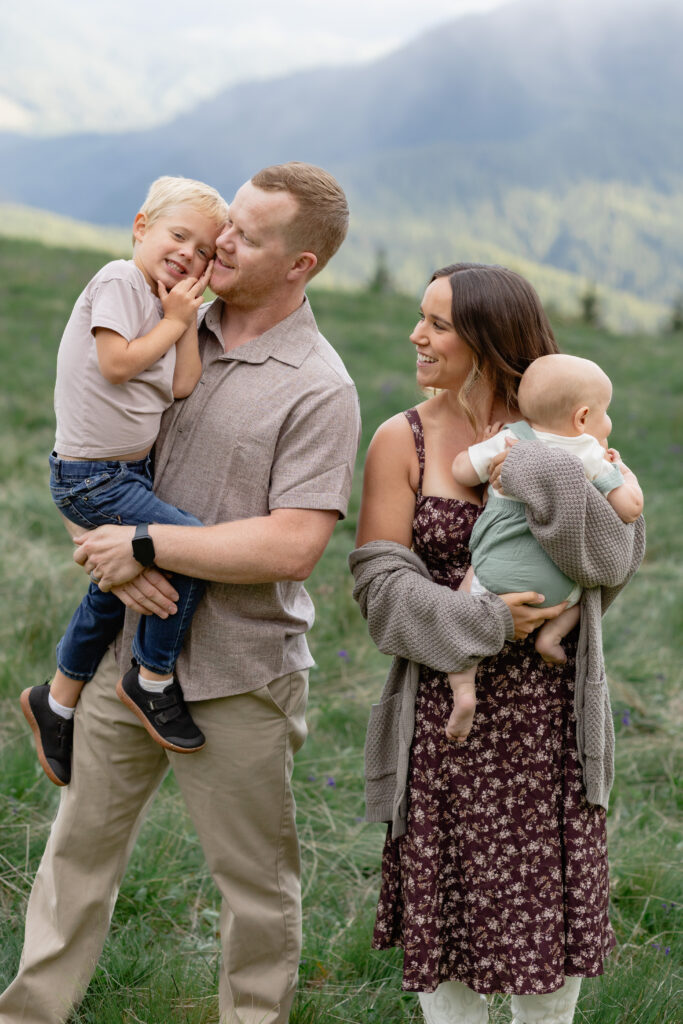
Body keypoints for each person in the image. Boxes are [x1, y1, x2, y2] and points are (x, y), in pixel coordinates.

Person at [1, 162, 361, 1024]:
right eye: (223, 223)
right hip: (127, 657)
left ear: (300, 264)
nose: (222, 243)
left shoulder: (320, 385)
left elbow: (295, 543)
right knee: (75, 858)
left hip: (238, 675)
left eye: (247, 235)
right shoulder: (165, 318)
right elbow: (90, 455)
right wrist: (106, 552)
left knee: (255, 887)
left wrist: (146, 543)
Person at [350, 263, 644, 1024]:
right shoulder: (402, 439)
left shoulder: (562, 433)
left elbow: (612, 560)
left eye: (438, 323)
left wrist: (543, 476)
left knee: (545, 940)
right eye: (422, 317)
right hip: (447, 725)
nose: (417, 335)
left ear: (488, 340)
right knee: (448, 936)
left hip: (549, 723)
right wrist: (483, 623)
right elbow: (379, 588)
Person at [21, 176, 229, 786]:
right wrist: (171, 320)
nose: (188, 254)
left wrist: (184, 321)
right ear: (141, 227)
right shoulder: (118, 279)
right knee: (189, 544)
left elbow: (182, 383)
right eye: (178, 235)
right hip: (92, 476)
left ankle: (56, 701)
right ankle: (153, 676)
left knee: (113, 592)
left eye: (204, 252)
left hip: (123, 471)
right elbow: (115, 365)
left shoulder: (167, 307)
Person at [446, 352, 644, 743]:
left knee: (464, 603)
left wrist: (486, 449)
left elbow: (460, 472)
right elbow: (630, 509)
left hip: (494, 572)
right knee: (586, 584)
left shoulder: (510, 438)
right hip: (555, 586)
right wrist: (624, 473)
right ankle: (551, 636)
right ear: (582, 418)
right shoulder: (589, 452)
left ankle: (464, 690)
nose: (609, 423)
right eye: (606, 414)